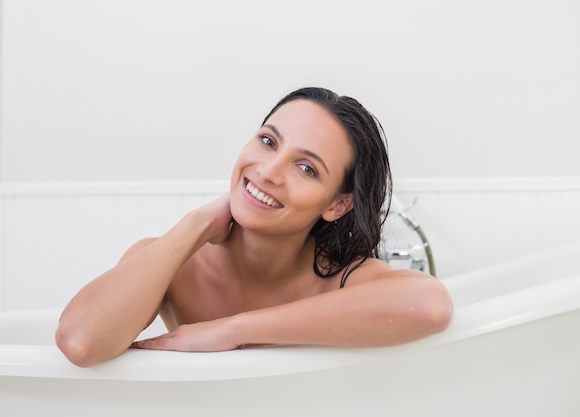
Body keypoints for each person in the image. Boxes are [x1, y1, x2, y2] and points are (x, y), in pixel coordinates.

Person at [55, 87, 453, 367]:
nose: (268, 171)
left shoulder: (344, 279)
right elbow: (80, 341)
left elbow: (429, 306)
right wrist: (195, 224)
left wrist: (233, 331)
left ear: (338, 204)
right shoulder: (174, 263)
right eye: (267, 141)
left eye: (306, 168)